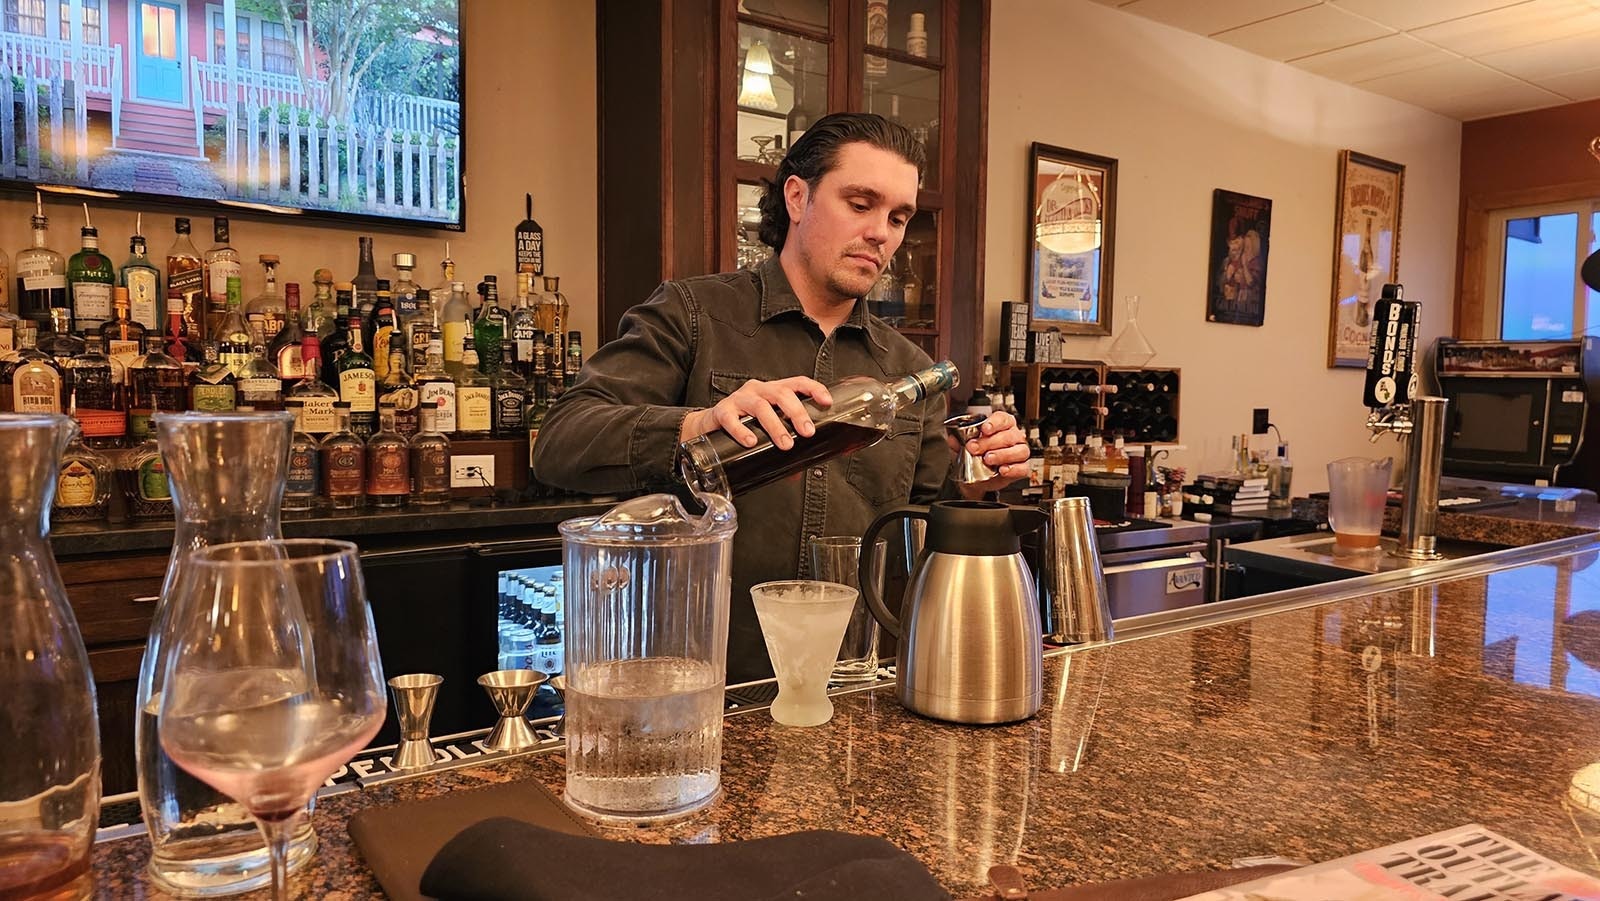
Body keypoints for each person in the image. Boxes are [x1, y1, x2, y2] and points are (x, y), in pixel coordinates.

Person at [533, 113, 1029, 681]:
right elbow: (559, 443)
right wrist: (699, 426)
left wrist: (976, 480)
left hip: (851, 684)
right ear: (798, 197)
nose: (881, 233)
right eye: (860, 204)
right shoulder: (692, 316)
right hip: (697, 679)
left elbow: (919, 525)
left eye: (898, 217)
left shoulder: (907, 372)